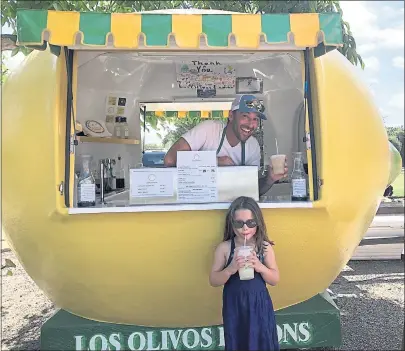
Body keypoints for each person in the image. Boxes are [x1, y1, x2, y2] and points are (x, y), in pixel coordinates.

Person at [163, 94, 288, 196]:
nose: (251, 124)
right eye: (245, 116)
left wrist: (270, 179)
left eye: (255, 119)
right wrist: (214, 161)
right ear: (231, 115)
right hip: (195, 200)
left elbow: (252, 191)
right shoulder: (209, 129)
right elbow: (170, 159)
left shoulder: (252, 146)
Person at [209, 196, 280, 351]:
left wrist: (260, 266)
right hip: (234, 305)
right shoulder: (225, 248)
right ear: (232, 224)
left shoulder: (264, 247)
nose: (245, 228)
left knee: (262, 341)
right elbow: (213, 280)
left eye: (250, 223)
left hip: (259, 304)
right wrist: (231, 269)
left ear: (258, 223)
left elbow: (275, 279)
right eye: (239, 223)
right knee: (237, 341)